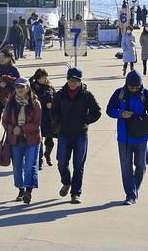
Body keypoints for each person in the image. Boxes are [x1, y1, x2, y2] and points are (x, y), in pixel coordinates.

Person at [106, 71, 148, 205]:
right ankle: (130, 195)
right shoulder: (119, 93)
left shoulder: (145, 94)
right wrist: (121, 113)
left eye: (136, 87)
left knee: (141, 166)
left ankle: (134, 190)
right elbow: (109, 110)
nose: (133, 89)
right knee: (126, 168)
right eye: (131, 87)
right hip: (124, 138)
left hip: (141, 137)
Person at [51, 68, 102, 204]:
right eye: (70, 80)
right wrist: (58, 121)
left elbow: (97, 112)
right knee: (62, 163)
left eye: (75, 80)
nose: (72, 83)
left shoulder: (87, 95)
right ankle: (66, 182)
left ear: (80, 81)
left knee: (78, 165)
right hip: (64, 133)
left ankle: (76, 193)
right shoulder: (60, 94)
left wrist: (85, 120)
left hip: (80, 134)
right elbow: (53, 111)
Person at [2, 76, 42, 204]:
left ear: (28, 88)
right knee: (17, 166)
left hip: (32, 139)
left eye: (22, 87)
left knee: (30, 166)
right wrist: (12, 129)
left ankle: (28, 192)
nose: (19, 89)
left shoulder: (35, 103)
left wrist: (22, 129)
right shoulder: (11, 103)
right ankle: (20, 189)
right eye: (17, 87)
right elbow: (4, 121)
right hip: (15, 139)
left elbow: (36, 124)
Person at [29, 68, 55, 167]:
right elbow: (32, 99)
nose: (41, 80)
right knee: (38, 140)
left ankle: (47, 155)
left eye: (43, 77)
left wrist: (52, 103)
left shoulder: (50, 86)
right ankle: (39, 160)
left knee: (50, 140)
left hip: (49, 117)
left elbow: (56, 98)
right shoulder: (33, 86)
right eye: (39, 78)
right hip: (37, 116)